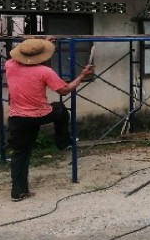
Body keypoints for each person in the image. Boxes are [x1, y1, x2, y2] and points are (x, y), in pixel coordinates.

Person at [5, 38, 94, 201]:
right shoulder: (44, 71)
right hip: (39, 115)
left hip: (17, 118)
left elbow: (22, 54)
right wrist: (82, 75)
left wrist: (40, 43)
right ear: (41, 56)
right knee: (60, 110)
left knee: (21, 154)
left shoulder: (10, 66)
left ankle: (18, 192)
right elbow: (65, 90)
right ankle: (62, 141)